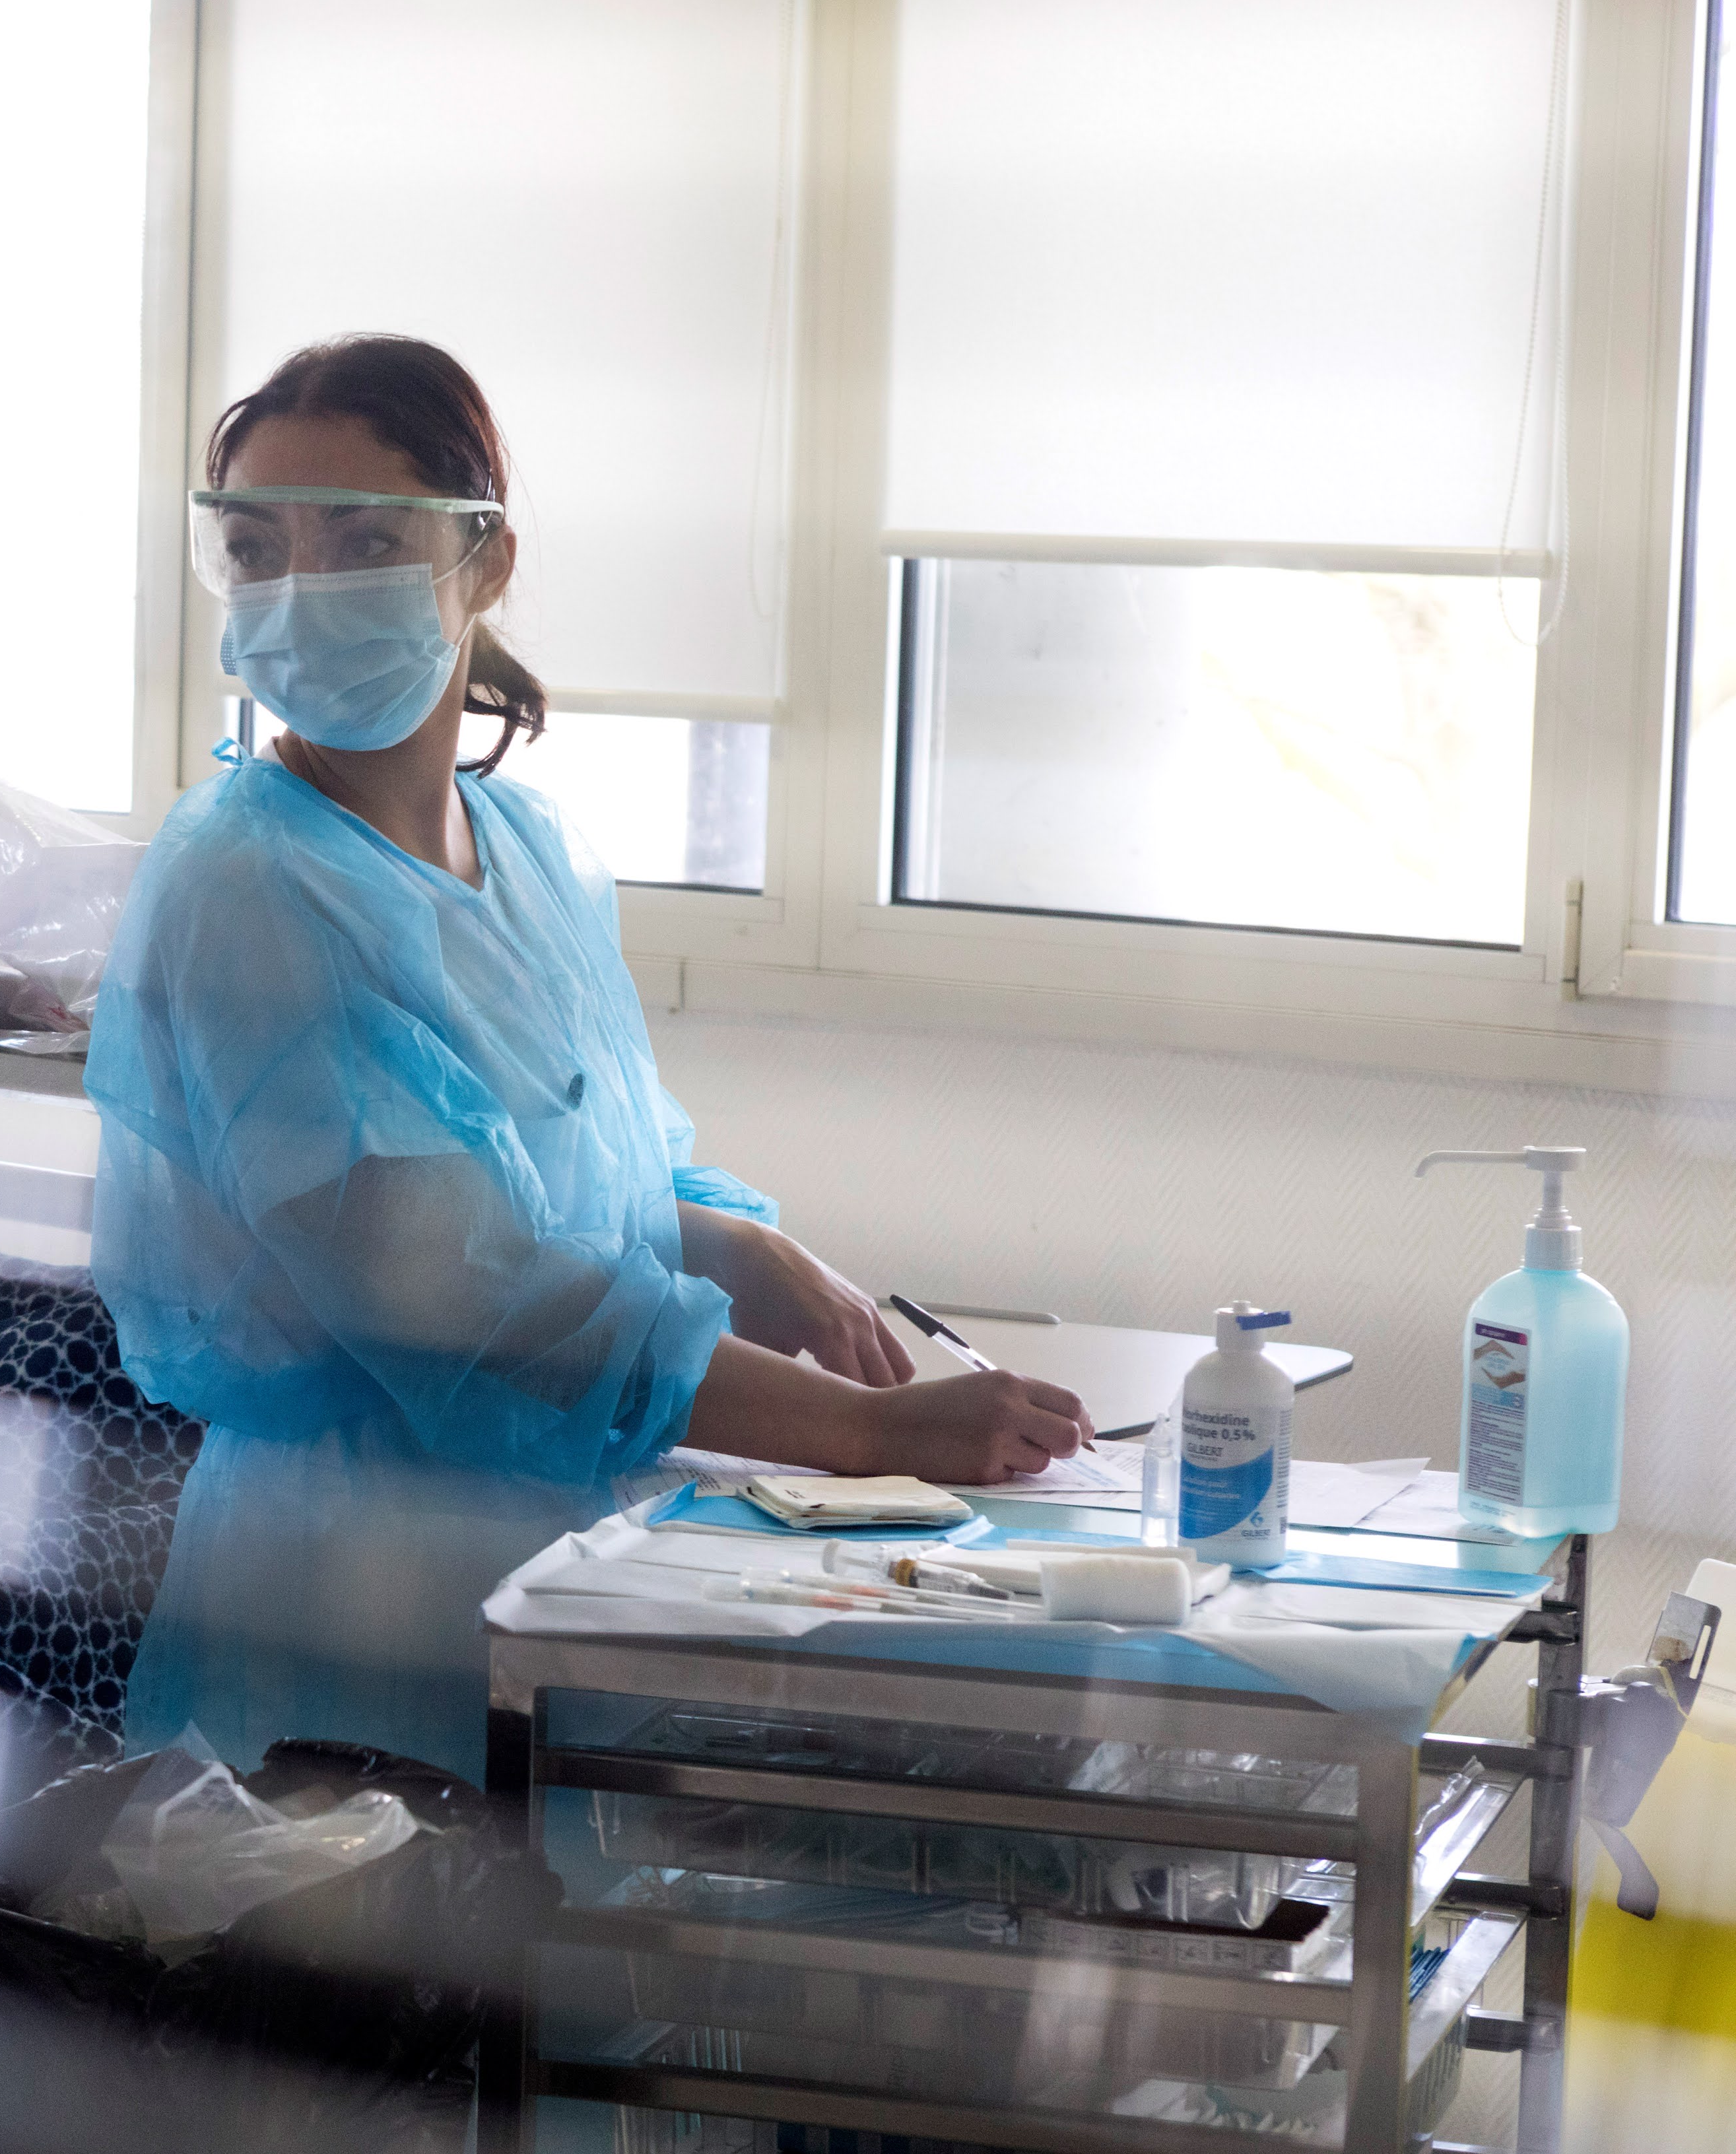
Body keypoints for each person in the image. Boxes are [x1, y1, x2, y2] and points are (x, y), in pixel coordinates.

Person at [84, 336, 1092, 1780]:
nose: (301, 590)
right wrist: (869, 1431)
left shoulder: (528, 850)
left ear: (483, 561)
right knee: (378, 1908)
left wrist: (741, 1245)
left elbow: (564, 1178)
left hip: (572, 1552)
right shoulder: (243, 884)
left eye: (362, 542)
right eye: (255, 547)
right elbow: (468, 1301)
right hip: (351, 1594)